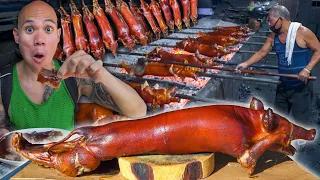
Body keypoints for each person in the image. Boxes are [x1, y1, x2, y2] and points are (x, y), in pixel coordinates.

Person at [0, 1, 147, 136]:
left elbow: (138, 111)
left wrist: (102, 75)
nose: (39, 40)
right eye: (30, 29)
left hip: (66, 161)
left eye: (48, 29)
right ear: (17, 36)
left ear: (58, 36)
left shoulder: (73, 79)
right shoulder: (3, 83)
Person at [236, 5, 320, 126]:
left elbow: (318, 50)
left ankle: (299, 144)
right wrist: (245, 64)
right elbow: (262, 52)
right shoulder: (273, 36)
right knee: (278, 121)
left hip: (301, 87)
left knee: (301, 124)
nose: (269, 25)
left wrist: (307, 69)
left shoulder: (302, 32)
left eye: (270, 21)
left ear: (280, 19)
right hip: (283, 85)